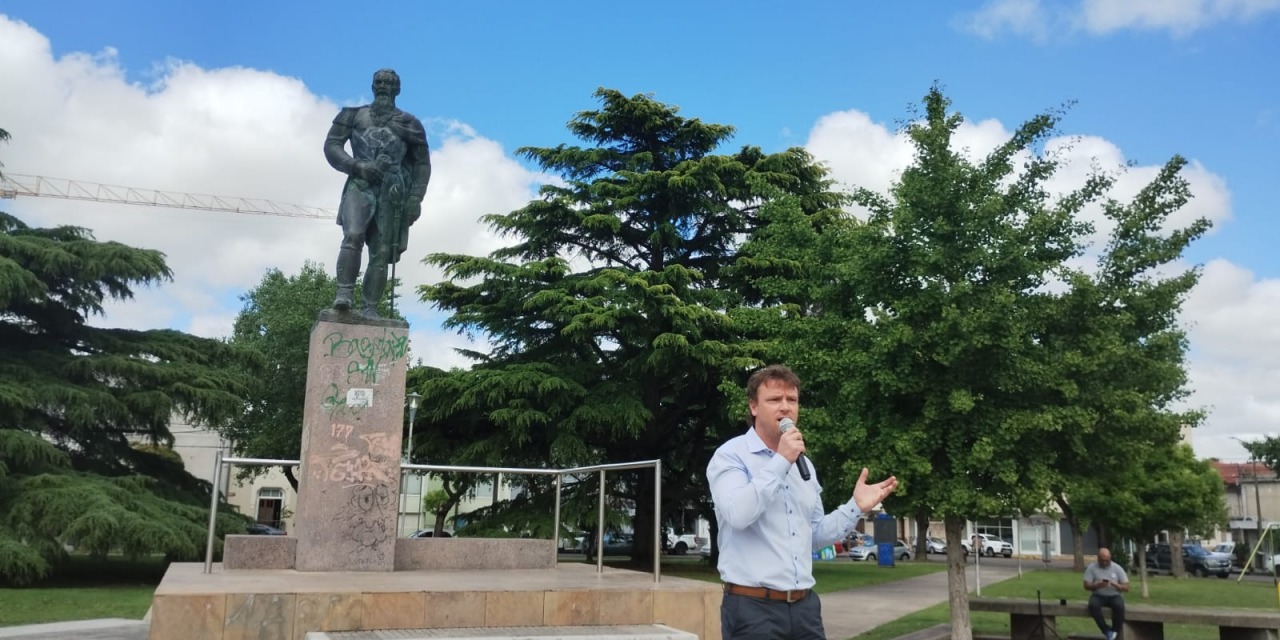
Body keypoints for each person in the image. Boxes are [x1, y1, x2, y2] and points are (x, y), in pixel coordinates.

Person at [706, 364, 898, 640]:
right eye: (774, 400)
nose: (785, 408)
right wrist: (781, 460)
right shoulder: (730, 456)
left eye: (792, 400)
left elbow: (814, 535)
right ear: (753, 407)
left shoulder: (804, 464)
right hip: (752, 609)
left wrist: (855, 507)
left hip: (805, 609)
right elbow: (738, 514)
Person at [324, 68, 432, 318]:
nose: (383, 86)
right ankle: (344, 295)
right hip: (360, 183)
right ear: (373, 87)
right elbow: (332, 146)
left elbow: (422, 163)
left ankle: (370, 308)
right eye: (379, 82)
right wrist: (357, 165)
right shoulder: (352, 115)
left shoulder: (410, 123)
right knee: (353, 235)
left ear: (397, 89)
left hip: (392, 189)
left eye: (389, 83)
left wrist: (415, 198)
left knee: (382, 251)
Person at [1084, 547, 1129, 640]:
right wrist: (1096, 585)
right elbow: (1086, 585)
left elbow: (1126, 587)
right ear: (1098, 558)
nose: (1104, 563)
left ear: (1110, 558)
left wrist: (1117, 586)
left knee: (1119, 606)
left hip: (1114, 595)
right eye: (1102, 561)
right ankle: (1106, 630)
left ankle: (1115, 631)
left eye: (1106, 561)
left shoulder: (1117, 568)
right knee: (1093, 605)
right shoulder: (1092, 568)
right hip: (1098, 595)